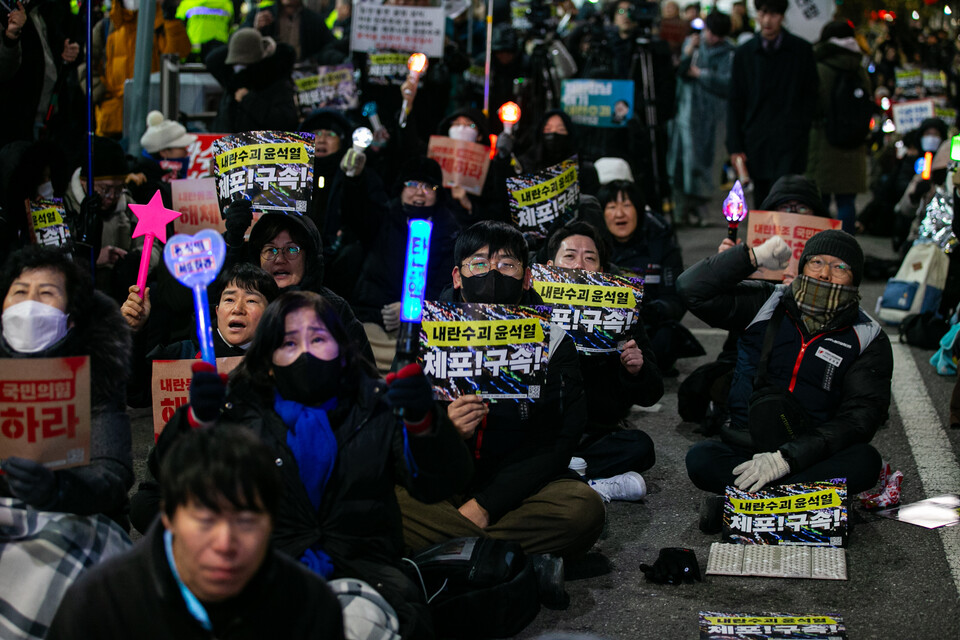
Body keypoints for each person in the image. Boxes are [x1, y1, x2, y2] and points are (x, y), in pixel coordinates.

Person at [151, 291, 472, 638]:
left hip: (367, 575)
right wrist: (197, 419)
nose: (305, 352)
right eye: (289, 343)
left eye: (318, 338)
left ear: (342, 350)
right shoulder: (240, 412)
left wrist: (424, 423)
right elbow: (170, 476)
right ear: (269, 362)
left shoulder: (377, 407)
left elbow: (438, 483)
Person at [396, 220, 606, 608]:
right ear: (458, 276)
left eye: (506, 265)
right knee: (385, 499)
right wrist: (443, 431)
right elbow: (396, 426)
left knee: (583, 508)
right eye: (478, 264)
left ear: (526, 279)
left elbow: (559, 440)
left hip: (515, 492)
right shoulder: (423, 334)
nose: (492, 274)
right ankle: (511, 563)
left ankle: (436, 562)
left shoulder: (554, 340)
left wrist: (487, 505)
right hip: (441, 488)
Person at [46, 425, 344, 640]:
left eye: (246, 521)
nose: (225, 543)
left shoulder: (309, 605)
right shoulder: (100, 606)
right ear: (169, 517)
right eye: (205, 519)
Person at [678, 231, 892, 522]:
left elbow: (859, 418)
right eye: (816, 262)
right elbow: (691, 289)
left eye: (840, 267)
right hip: (747, 444)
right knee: (700, 459)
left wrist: (787, 459)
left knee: (866, 462)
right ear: (802, 266)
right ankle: (811, 503)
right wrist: (750, 257)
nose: (826, 273)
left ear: (855, 279)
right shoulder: (768, 301)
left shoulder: (868, 336)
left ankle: (742, 505)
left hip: (811, 455)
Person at [0, 245, 134, 638]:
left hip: (73, 518)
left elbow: (113, 471)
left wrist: (58, 490)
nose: (29, 304)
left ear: (70, 319)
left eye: (46, 294)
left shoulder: (96, 372)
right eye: (19, 291)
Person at [544, 221, 664, 500]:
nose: (580, 265)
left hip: (595, 434)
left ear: (601, 269)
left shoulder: (620, 313)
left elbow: (652, 393)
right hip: (543, 433)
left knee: (640, 447)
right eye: (570, 256)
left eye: (590, 258)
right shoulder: (532, 309)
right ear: (550, 266)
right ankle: (591, 484)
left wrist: (637, 369)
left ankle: (562, 479)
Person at [341, 156, 460, 373]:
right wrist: (354, 178)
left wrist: (413, 309)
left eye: (428, 186)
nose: (419, 192)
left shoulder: (449, 231)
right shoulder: (383, 217)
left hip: (422, 325)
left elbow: (447, 285)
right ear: (401, 188)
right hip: (373, 317)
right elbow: (354, 212)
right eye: (412, 184)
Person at [219, 205, 374, 362]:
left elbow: (364, 379)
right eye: (270, 250)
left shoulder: (334, 309)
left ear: (309, 258)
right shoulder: (238, 308)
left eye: (292, 250)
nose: (280, 259)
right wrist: (234, 242)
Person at [121, 262, 281, 412]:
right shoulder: (184, 355)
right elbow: (136, 394)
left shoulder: (282, 363)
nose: (237, 309)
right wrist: (133, 333)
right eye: (229, 299)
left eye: (251, 300)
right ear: (217, 311)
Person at [595, 179, 697, 374]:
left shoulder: (661, 239)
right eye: (611, 207)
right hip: (603, 330)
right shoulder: (591, 245)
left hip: (649, 327)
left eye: (626, 205)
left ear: (639, 210)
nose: (619, 213)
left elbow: (676, 298)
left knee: (666, 338)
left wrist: (651, 310)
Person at [726, 0, 818, 207]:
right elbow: (735, 101)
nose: (767, 21)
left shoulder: (801, 50)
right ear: (757, 14)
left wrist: (800, 127)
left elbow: (811, 96)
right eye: (763, 13)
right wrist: (735, 145)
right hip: (756, 141)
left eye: (774, 14)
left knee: (789, 201)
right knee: (762, 202)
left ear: (782, 16)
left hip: (790, 141)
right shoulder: (744, 53)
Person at [667, 11, 734, 228]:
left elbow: (728, 83)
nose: (710, 38)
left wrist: (702, 75)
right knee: (678, 164)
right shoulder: (693, 45)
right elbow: (679, 73)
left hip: (711, 119)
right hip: (684, 115)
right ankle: (680, 212)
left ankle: (702, 210)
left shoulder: (730, 53)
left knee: (703, 165)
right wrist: (687, 53)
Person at [87, 0, 190, 138]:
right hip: (113, 118)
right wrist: (100, 93)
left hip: (154, 116)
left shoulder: (161, 24)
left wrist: (170, 19)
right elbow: (87, 64)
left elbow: (177, 53)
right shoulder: (105, 27)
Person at [805, 20, 871, 235]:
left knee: (820, 200)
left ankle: (820, 249)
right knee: (846, 202)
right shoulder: (859, 69)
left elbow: (812, 105)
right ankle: (846, 248)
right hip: (854, 144)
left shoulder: (820, 68)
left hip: (823, 141)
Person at [205, 28, 298, 134]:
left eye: (243, 64)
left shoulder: (275, 81)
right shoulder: (233, 80)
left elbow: (285, 122)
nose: (238, 69)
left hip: (261, 146)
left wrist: (249, 100)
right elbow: (212, 60)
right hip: (230, 145)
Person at [246, 0, 338, 63]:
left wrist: (314, 59)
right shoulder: (260, 14)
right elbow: (239, 44)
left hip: (302, 78)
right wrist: (255, 30)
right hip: (269, 79)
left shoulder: (314, 20)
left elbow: (331, 45)